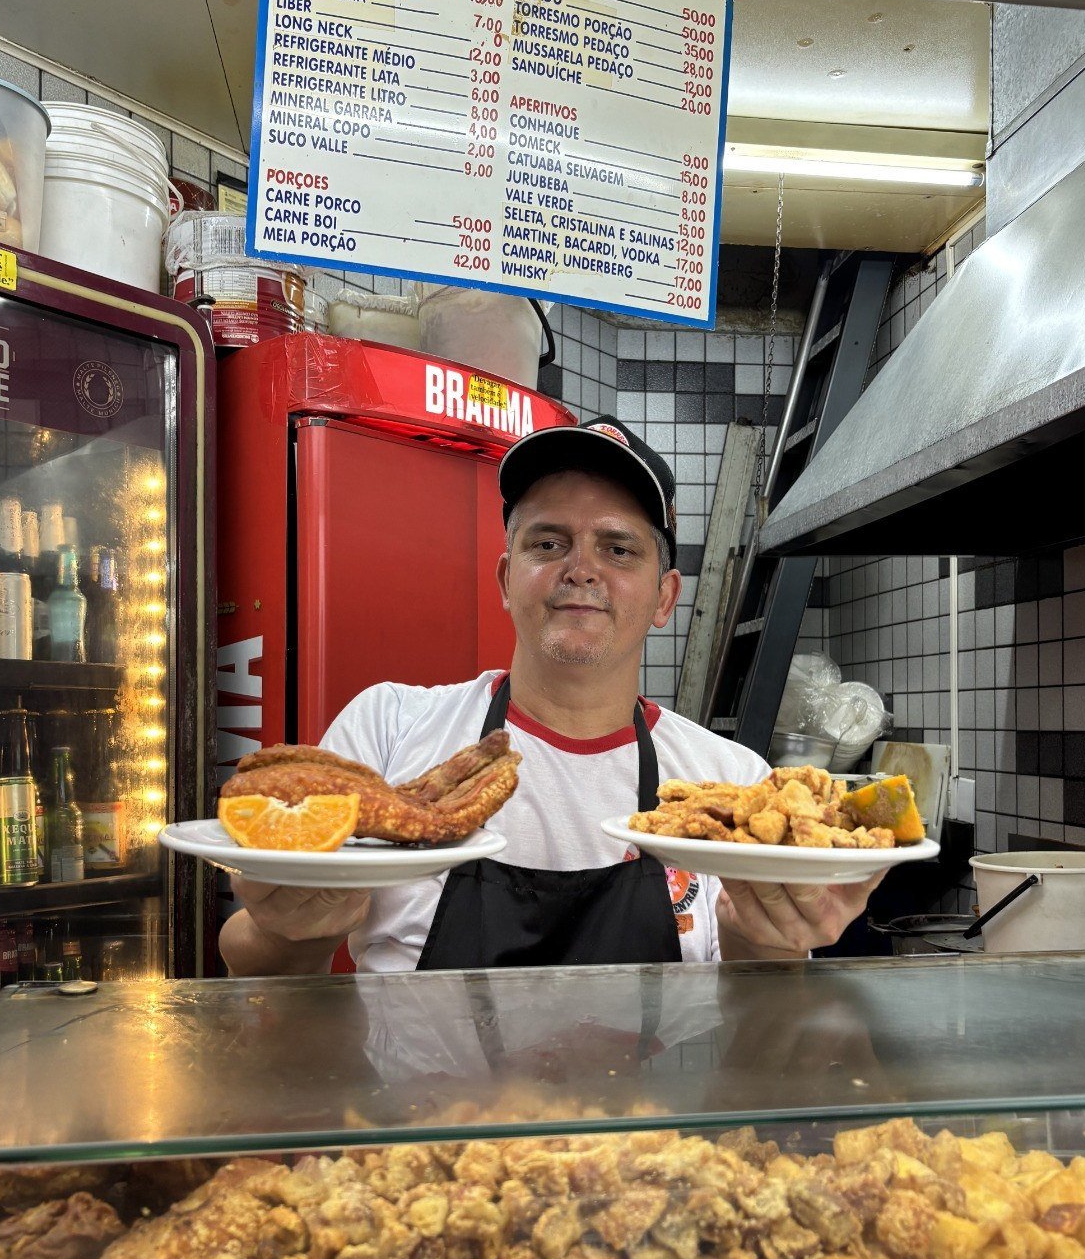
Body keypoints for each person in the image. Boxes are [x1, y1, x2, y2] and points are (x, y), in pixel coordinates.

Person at [220, 417, 883, 976]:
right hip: (417, 1126)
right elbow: (260, 973)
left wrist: (766, 942)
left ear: (665, 597)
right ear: (508, 580)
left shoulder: (731, 788)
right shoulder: (389, 730)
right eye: (548, 542)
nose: (580, 569)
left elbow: (759, 1033)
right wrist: (285, 933)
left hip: (652, 1131)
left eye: (618, 549)